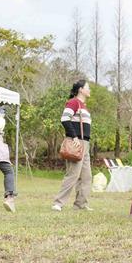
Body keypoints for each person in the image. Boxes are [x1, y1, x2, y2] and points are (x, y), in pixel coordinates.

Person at [52, 80, 94, 212]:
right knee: (73, 174)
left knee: (86, 176)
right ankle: (58, 203)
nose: (89, 90)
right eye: (88, 88)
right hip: (76, 142)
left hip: (85, 143)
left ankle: (80, 204)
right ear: (81, 89)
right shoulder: (74, 102)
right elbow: (64, 119)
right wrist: (74, 136)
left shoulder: (83, 105)